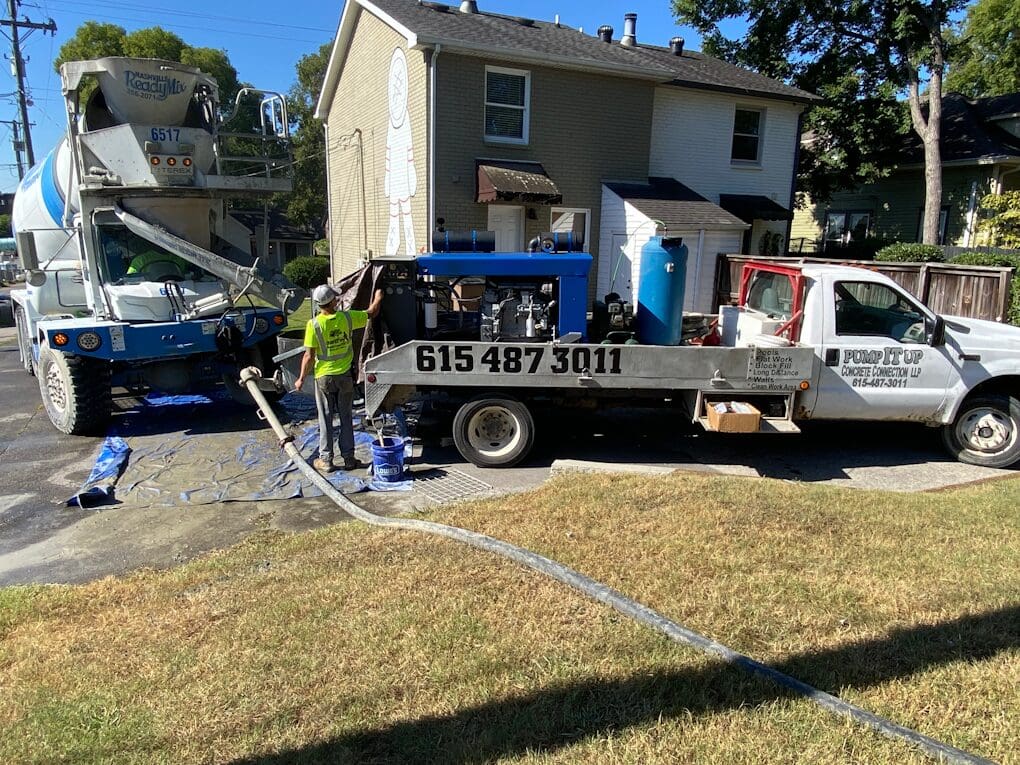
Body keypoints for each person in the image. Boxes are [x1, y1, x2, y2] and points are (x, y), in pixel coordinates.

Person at [294, 283, 384, 473]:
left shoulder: (314, 325)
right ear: (332, 302)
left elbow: (309, 356)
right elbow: (371, 312)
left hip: (324, 378)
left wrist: (301, 378)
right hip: (345, 376)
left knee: (325, 418)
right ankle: (349, 459)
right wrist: (378, 297)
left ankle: (326, 460)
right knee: (345, 417)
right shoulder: (346, 318)